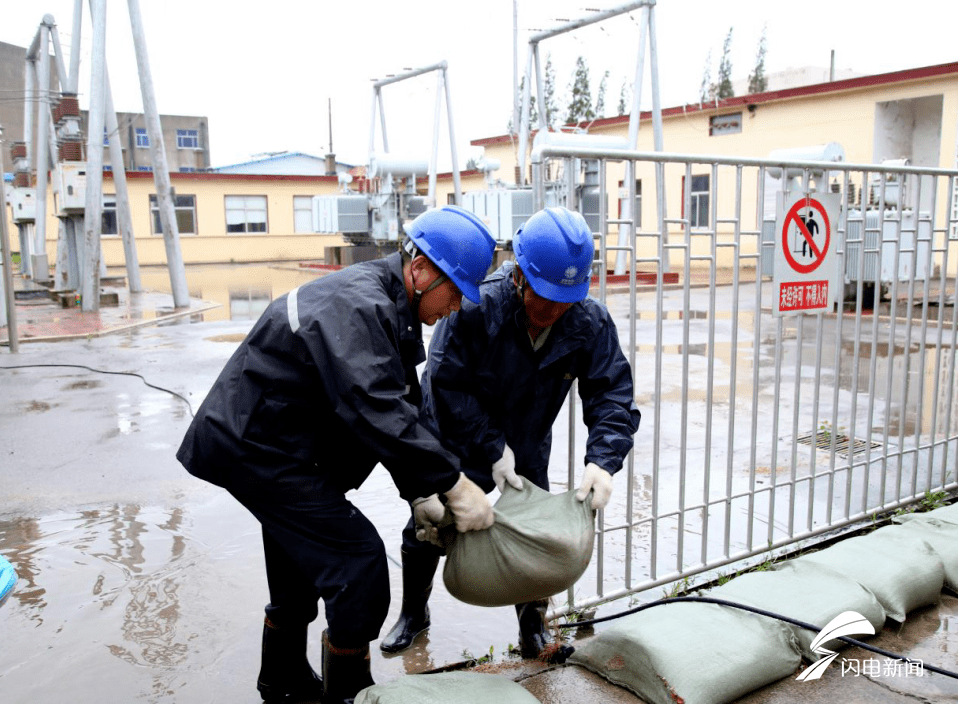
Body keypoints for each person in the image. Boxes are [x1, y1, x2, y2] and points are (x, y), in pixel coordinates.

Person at [176, 205, 498, 704]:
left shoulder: (385, 305)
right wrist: (454, 484)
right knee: (358, 567)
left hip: (277, 446)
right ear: (420, 270)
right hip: (258, 448)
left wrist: (421, 493)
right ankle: (349, 695)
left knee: (302, 567)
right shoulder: (358, 304)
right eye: (455, 291)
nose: (455, 307)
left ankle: (281, 683)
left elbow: (400, 404)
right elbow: (375, 408)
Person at [381, 206, 641, 659]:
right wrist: (491, 446)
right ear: (519, 275)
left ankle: (531, 626)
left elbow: (611, 393)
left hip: (528, 439)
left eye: (567, 301)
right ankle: (414, 613)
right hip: (457, 434)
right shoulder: (475, 306)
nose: (554, 311)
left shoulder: (588, 321)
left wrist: (604, 459)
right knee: (429, 527)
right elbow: (445, 384)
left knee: (532, 531)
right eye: (544, 297)